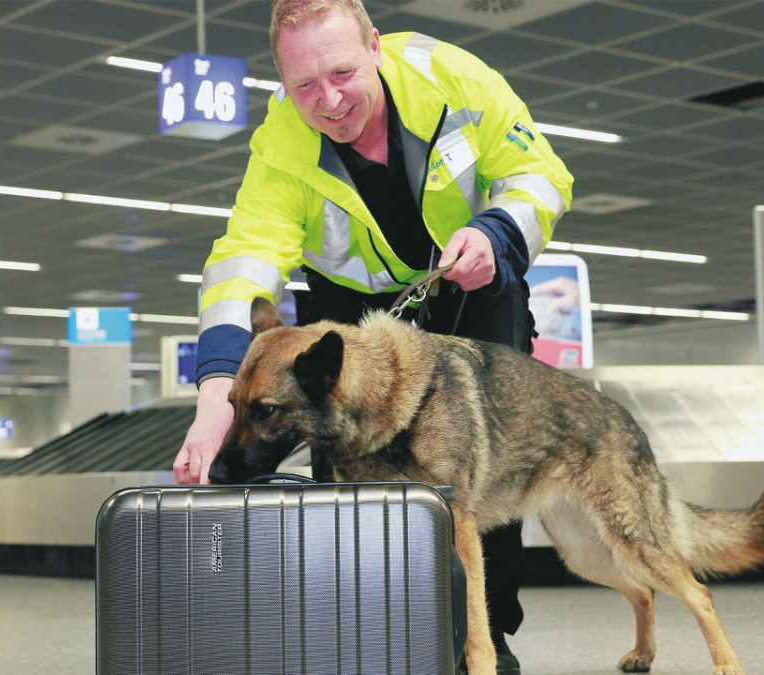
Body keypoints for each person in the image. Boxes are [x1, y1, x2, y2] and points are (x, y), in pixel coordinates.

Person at [174, 1, 573, 671]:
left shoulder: (457, 82)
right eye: (304, 85)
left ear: (376, 48)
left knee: (485, 457)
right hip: (349, 311)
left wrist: (499, 232)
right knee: (342, 460)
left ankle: (487, 634)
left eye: (342, 72)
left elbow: (541, 177)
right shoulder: (281, 146)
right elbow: (241, 263)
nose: (328, 101)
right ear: (282, 82)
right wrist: (218, 391)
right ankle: (370, 624)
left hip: (471, 281)